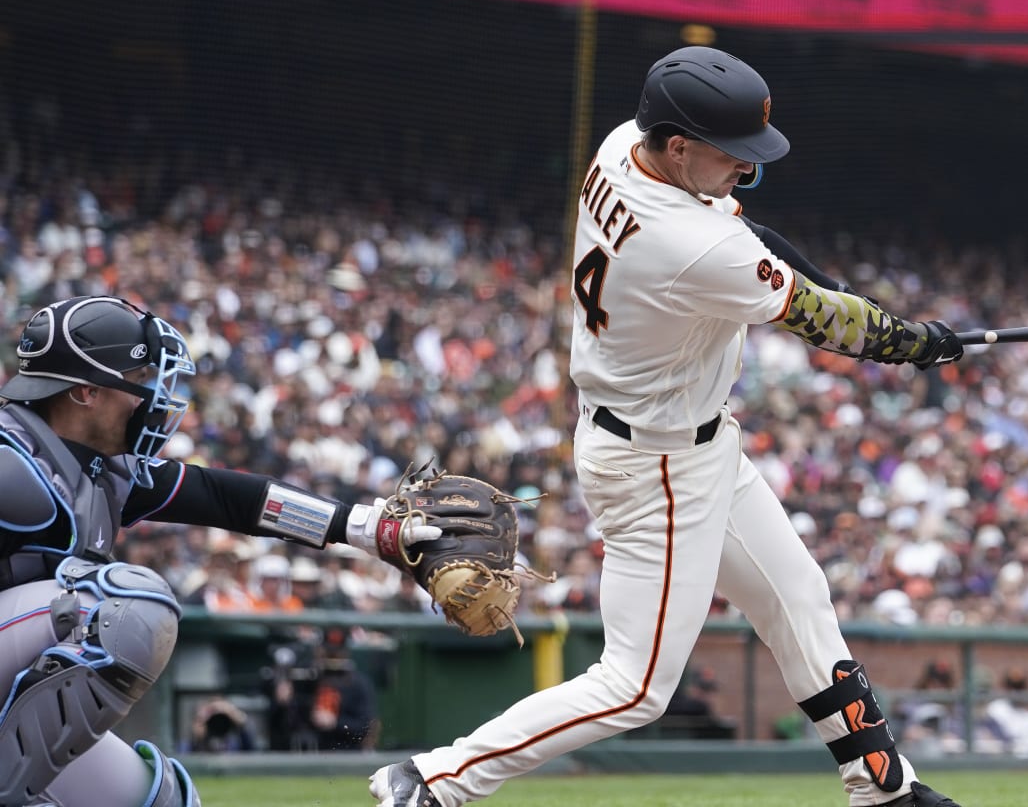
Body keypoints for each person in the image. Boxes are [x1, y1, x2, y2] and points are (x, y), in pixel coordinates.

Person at [371, 46, 964, 807]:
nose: (746, 171)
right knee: (635, 686)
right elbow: (827, 323)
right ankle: (433, 779)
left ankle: (882, 787)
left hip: (688, 437)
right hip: (656, 462)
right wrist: (908, 340)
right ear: (680, 146)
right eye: (732, 155)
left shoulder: (628, 143)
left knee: (797, 598)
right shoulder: (689, 244)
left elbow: (765, 248)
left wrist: (865, 306)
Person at [0, 295, 437, 807]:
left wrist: (364, 527)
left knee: (163, 801)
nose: (152, 396)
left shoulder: (99, 465)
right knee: (128, 606)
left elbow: (229, 498)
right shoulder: (11, 462)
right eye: (139, 379)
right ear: (86, 392)